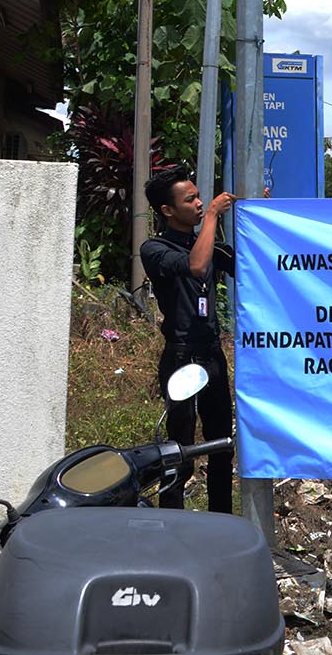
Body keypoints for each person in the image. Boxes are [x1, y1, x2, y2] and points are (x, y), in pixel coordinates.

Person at [140, 166, 239, 512]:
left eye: (199, 197)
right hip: (181, 357)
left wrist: (260, 214)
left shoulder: (210, 246)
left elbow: (249, 261)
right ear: (167, 210)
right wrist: (212, 214)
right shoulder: (155, 249)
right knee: (179, 450)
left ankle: (221, 521)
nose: (199, 204)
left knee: (221, 446)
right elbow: (196, 266)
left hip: (212, 354)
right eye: (190, 200)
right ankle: (172, 521)